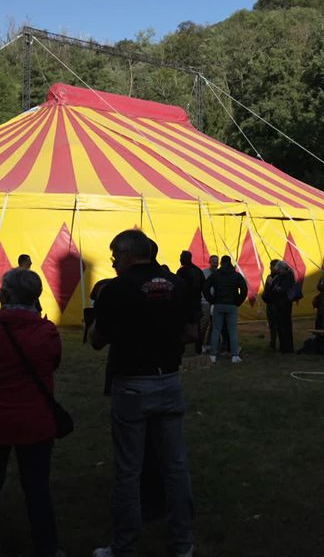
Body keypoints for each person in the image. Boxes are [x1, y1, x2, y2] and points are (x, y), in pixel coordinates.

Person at [90, 229, 194, 557]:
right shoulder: (179, 285)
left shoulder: (116, 289)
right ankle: (183, 544)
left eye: (114, 257)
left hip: (132, 382)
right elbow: (191, 333)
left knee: (128, 470)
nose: (112, 263)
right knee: (176, 468)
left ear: (126, 254)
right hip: (169, 380)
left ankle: (124, 546)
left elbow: (96, 339)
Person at [0, 268, 62, 557]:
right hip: (36, 422)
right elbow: (53, 363)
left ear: (6, 293)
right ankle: (47, 547)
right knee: (37, 488)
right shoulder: (47, 332)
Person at [203, 255, 248, 364]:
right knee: (232, 330)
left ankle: (213, 355)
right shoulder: (236, 276)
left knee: (216, 330)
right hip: (231, 305)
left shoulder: (215, 275)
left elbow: (205, 288)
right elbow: (244, 289)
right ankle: (234, 356)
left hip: (218, 304)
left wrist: (212, 300)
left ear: (221, 263)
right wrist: (238, 301)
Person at [263, 260, 295, 354]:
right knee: (280, 326)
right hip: (279, 304)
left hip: (284, 305)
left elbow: (281, 289)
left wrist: (273, 284)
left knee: (285, 326)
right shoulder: (280, 276)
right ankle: (283, 347)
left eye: (279, 270)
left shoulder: (288, 276)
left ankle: (287, 348)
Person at [176, 250, 205, 353]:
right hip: (196, 304)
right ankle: (198, 349)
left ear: (185, 258)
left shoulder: (182, 272)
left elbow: (178, 288)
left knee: (183, 328)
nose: (179, 259)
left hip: (185, 305)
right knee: (197, 328)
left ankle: (184, 351)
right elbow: (203, 287)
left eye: (181, 257)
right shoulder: (198, 271)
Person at [200, 254, 219, 353]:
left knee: (214, 323)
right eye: (213, 261)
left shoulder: (220, 273)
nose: (215, 262)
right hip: (205, 301)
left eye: (217, 261)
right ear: (209, 262)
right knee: (205, 322)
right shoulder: (204, 273)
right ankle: (201, 343)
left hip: (216, 302)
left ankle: (208, 343)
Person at [261, 259, 279, 349]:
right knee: (272, 324)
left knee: (277, 324)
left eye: (272, 266)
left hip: (276, 304)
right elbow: (266, 290)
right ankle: (272, 342)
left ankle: (277, 342)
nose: (270, 268)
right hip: (269, 303)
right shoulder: (269, 276)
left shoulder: (279, 277)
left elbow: (277, 290)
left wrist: (271, 283)